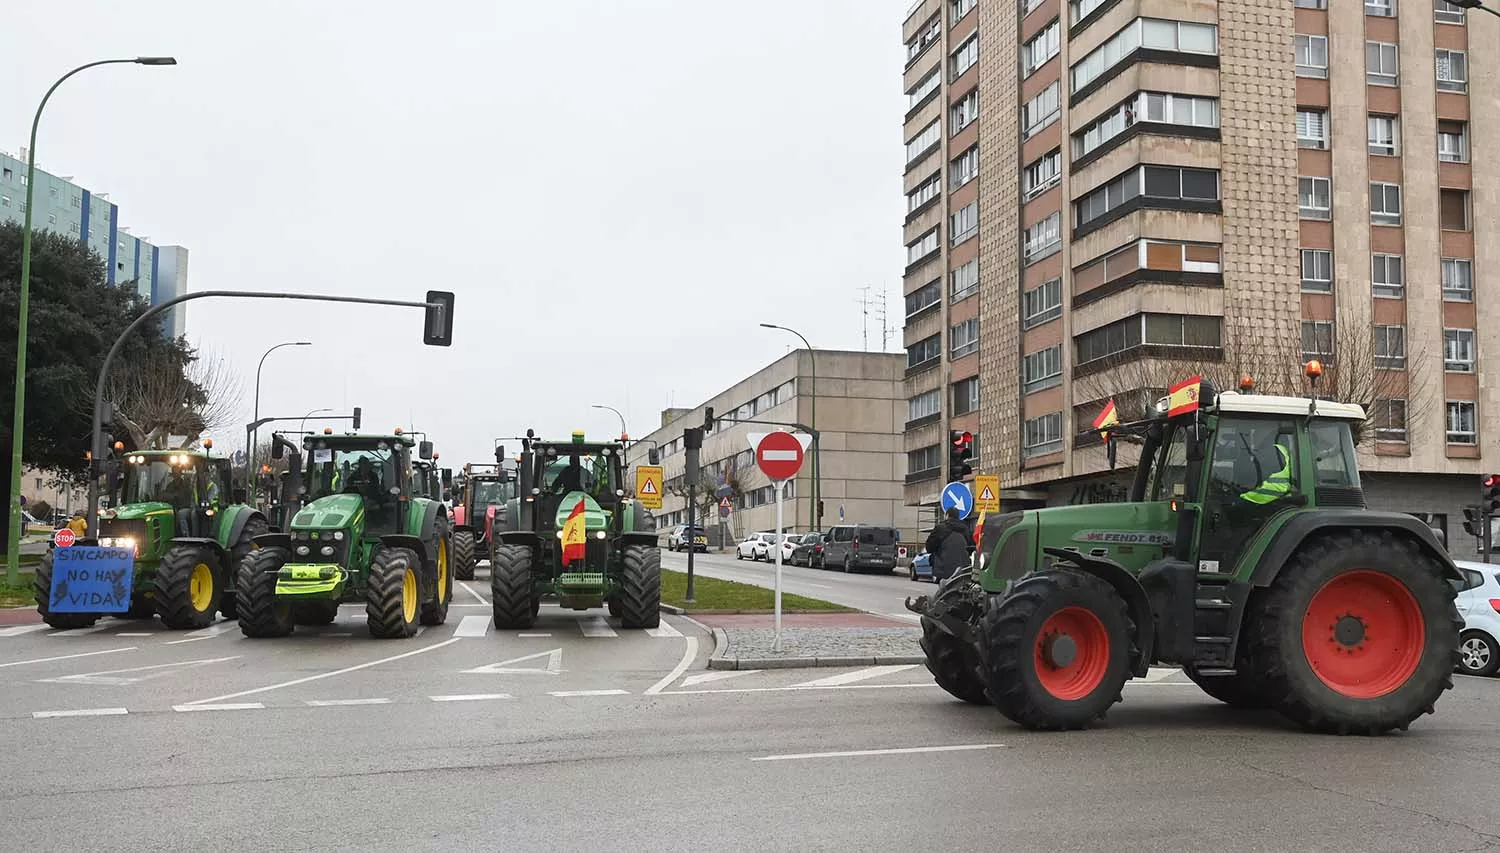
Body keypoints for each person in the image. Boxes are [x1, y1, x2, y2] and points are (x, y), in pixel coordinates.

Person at [1240, 437, 1292, 505]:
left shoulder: (1272, 453)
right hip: (1279, 500)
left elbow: (1261, 494)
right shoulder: (1281, 451)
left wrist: (1241, 497)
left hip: (1274, 505)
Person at [924, 508, 971, 582]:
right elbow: (969, 547)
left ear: (947, 515)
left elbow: (929, 547)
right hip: (962, 568)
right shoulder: (965, 529)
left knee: (944, 591)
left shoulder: (940, 528)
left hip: (943, 568)